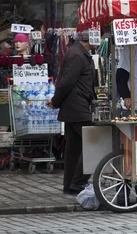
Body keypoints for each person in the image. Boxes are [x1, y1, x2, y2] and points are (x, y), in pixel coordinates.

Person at [46, 30, 96, 195]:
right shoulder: (76, 55)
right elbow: (66, 82)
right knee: (93, 143)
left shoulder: (79, 53)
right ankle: (78, 182)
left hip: (75, 107)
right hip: (77, 108)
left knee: (74, 147)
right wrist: (55, 101)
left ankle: (70, 186)